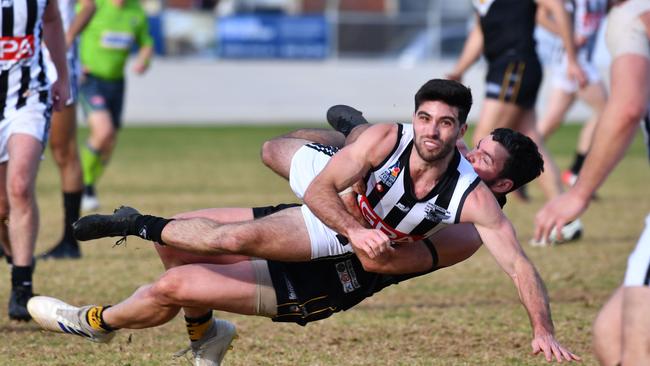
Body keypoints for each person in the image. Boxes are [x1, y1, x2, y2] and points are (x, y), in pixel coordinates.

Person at [30, 80, 578, 363]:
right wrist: (360, 172)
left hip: (334, 272)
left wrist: (542, 331)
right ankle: (207, 336)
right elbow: (325, 191)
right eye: (427, 121)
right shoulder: (410, 142)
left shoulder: (467, 221)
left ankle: (93, 322)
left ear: (502, 185)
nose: (461, 151)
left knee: (176, 280)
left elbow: (380, 258)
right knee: (222, 206)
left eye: (483, 160)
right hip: (334, 216)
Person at [533, 0, 650, 364]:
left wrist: (578, 193)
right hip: (570, 60)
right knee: (610, 335)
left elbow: (627, 108)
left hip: (573, 62)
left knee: (633, 348)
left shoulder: (629, 15)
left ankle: (564, 172)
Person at [447, 0, 587, 244]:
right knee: (533, 143)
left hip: (515, 66)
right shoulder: (482, 4)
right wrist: (459, 70)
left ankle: (477, 220)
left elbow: (558, 7)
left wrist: (571, 57)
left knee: (484, 142)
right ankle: (566, 221)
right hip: (504, 67)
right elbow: (480, 33)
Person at [0, 0, 70, 320]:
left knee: (19, 186)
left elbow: (53, 20)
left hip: (27, 99)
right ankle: (16, 256)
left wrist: (63, 76)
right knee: (1, 206)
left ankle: (22, 285)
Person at [77, 0, 153, 212]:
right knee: (103, 131)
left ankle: (87, 183)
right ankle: (84, 185)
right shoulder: (92, 6)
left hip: (116, 83)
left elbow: (146, 42)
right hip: (90, 79)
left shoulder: (135, 11)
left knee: (109, 141)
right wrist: (72, 61)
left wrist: (143, 61)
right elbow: (66, 30)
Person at [38, 0, 96, 259]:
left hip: (55, 62)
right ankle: (6, 238)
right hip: (17, 61)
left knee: (63, 150)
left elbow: (89, 6)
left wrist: (67, 37)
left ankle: (70, 241)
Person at [536, 0, 608, 186]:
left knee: (551, 121)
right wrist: (568, 36)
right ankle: (576, 170)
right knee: (605, 111)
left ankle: (514, 162)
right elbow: (541, 16)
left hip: (577, 61)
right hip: (574, 61)